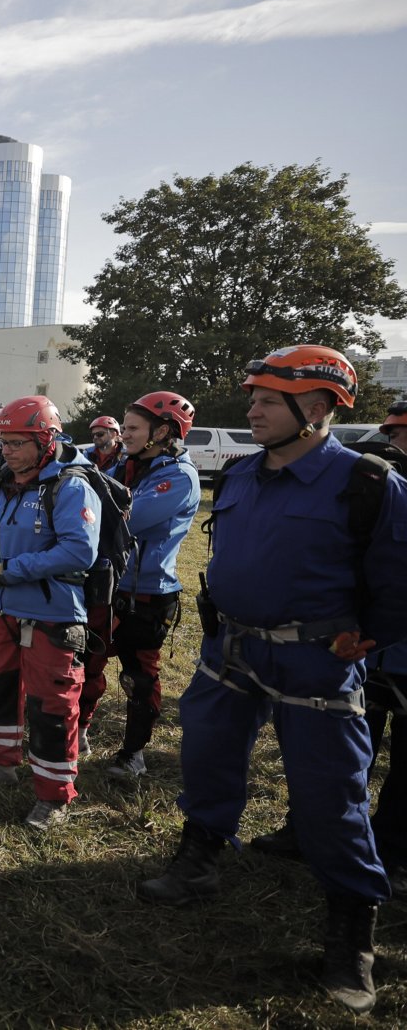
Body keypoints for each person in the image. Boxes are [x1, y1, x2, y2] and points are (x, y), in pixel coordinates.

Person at [138, 346, 407, 1014]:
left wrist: (362, 643)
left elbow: (397, 586)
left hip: (317, 659)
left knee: (329, 794)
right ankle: (198, 858)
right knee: (207, 755)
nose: (250, 409)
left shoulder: (369, 485)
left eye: (265, 401)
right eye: (253, 397)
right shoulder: (239, 476)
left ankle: (351, 932)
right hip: (229, 650)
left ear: (315, 408)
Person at [0, 395, 99, 832]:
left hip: (51, 616)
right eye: (2, 441)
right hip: (2, 611)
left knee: (51, 706)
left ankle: (53, 795)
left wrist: (10, 572)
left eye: (17, 442)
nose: (7, 450)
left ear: (45, 440)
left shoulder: (70, 487)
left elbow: (79, 550)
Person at [77, 392, 199, 774]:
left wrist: (89, 508)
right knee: (87, 663)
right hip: (106, 584)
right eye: (124, 427)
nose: (124, 434)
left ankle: (133, 754)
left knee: (138, 677)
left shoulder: (178, 476)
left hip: (147, 593)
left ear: (162, 431)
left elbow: (122, 521)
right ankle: (78, 730)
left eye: (132, 428)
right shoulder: (127, 467)